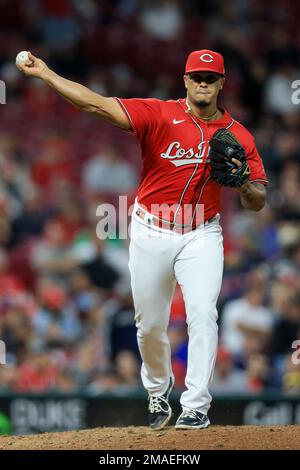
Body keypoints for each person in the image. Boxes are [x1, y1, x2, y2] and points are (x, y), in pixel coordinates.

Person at [17, 49, 268, 430]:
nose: (203, 83)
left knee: (203, 314)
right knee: (150, 324)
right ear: (185, 80)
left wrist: (244, 183)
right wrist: (49, 75)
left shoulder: (238, 135)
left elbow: (257, 200)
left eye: (210, 77)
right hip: (151, 229)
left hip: (202, 233)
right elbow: (97, 105)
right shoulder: (158, 113)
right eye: (196, 76)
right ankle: (156, 390)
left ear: (221, 83)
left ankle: (196, 406)